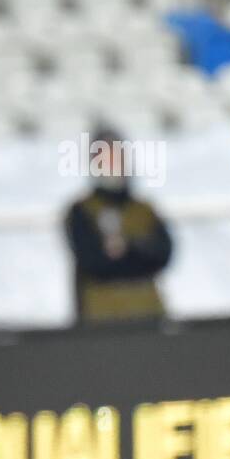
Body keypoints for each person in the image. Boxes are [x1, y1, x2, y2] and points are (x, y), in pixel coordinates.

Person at [64, 124, 172, 323]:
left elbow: (162, 254)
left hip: (149, 315)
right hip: (102, 320)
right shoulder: (81, 211)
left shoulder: (144, 210)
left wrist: (128, 248)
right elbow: (94, 261)